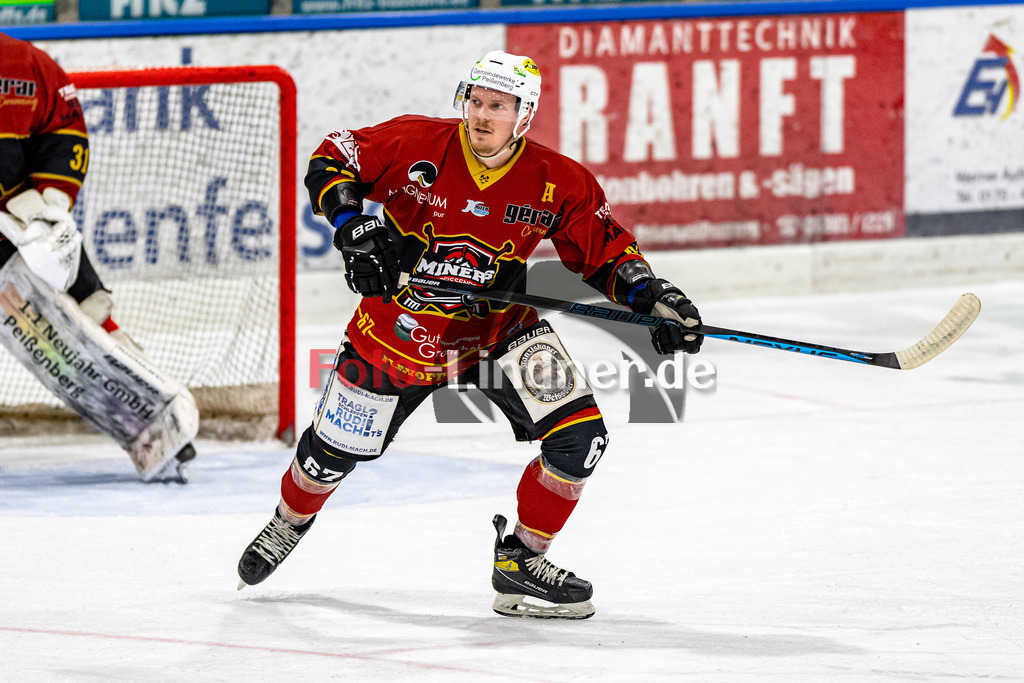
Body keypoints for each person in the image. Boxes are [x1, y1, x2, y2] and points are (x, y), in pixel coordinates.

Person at [236, 51, 702, 619]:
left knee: (581, 440)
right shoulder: (415, 145)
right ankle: (289, 523)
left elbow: (604, 253)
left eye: (498, 106)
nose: (481, 115)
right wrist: (352, 222)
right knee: (329, 455)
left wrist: (653, 299)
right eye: (475, 101)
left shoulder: (558, 181)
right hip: (393, 337)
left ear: (523, 115)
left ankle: (521, 562)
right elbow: (333, 156)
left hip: (498, 335)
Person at [0, 33, 197, 482]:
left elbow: (63, 125)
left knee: (90, 305)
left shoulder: (23, 61)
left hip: (22, 220)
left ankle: (152, 414)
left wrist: (50, 201)